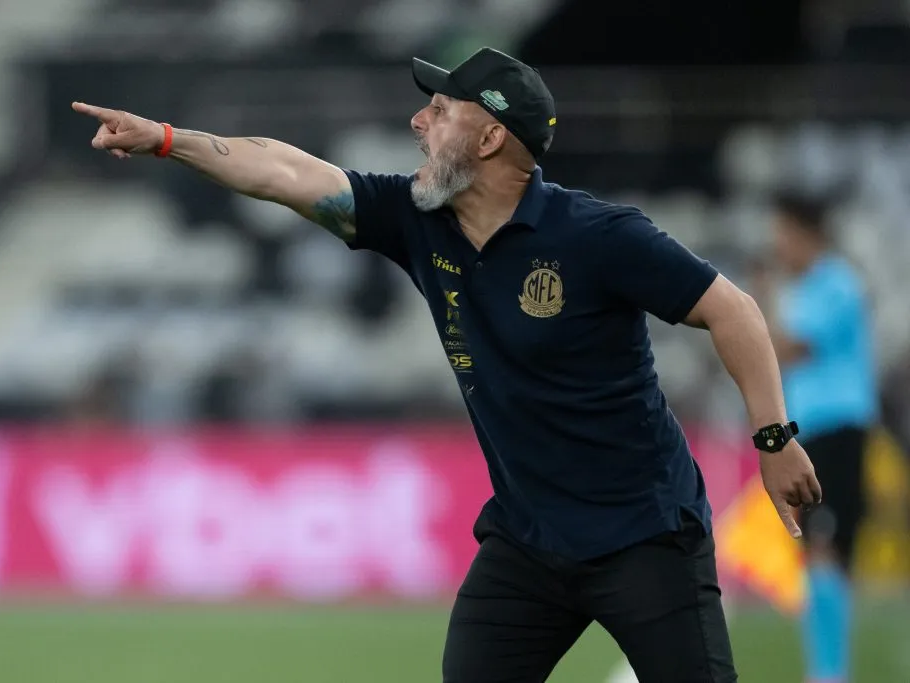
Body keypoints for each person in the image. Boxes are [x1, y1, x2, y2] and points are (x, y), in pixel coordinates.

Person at [72, 47, 821, 683]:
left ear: (491, 137)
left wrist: (772, 437)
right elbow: (283, 171)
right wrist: (169, 137)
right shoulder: (415, 218)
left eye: (440, 110)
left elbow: (736, 311)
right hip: (529, 546)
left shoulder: (599, 234)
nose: (417, 122)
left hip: (643, 534)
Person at [755, 192, 878, 683]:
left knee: (825, 546)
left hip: (835, 431)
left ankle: (829, 672)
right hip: (814, 431)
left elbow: (789, 348)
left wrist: (756, 304)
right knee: (821, 552)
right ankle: (828, 667)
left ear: (807, 234)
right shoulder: (806, 290)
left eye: (784, 234)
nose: (778, 246)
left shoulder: (836, 284)